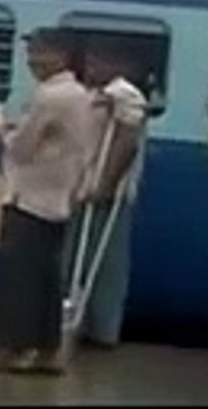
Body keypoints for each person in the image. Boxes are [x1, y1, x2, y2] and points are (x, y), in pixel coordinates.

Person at [0, 28, 92, 375]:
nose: (32, 61)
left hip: (30, 196)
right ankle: (46, 351)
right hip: (58, 197)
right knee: (46, 279)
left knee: (18, 277)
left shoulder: (50, 96)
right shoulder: (78, 94)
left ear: (60, 55)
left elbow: (21, 148)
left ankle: (12, 347)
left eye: (38, 53)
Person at [66, 38, 148, 349]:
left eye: (98, 63)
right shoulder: (94, 94)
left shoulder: (125, 95)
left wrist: (106, 183)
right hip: (82, 187)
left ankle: (102, 330)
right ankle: (78, 321)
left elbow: (127, 140)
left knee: (105, 263)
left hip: (105, 193)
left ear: (118, 66)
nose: (91, 68)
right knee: (77, 259)